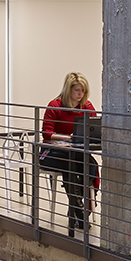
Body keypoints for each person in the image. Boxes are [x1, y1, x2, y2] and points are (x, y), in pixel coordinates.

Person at [41, 71, 100, 236]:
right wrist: (68, 137)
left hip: (75, 152)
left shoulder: (87, 107)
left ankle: (76, 208)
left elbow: (94, 128)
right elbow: (46, 133)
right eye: (77, 90)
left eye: (83, 90)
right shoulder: (55, 106)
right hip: (52, 153)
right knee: (71, 166)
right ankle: (79, 212)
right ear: (68, 90)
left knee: (91, 167)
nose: (80, 94)